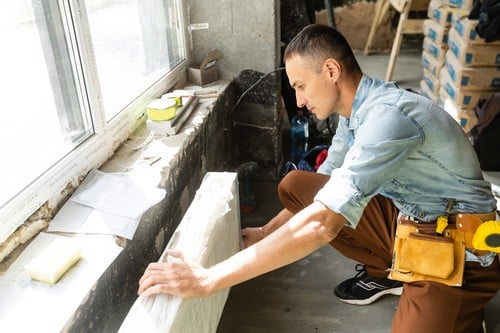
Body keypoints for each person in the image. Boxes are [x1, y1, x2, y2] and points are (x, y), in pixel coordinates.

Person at [137, 24, 500, 332]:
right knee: (297, 187)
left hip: (460, 252)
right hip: (415, 220)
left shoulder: (388, 119)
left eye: (300, 86)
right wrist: (266, 232)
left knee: (324, 213)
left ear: (330, 71)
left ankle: (461, 313)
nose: (298, 101)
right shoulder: (354, 113)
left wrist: (209, 279)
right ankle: (387, 273)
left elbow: (323, 223)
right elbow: (324, 183)